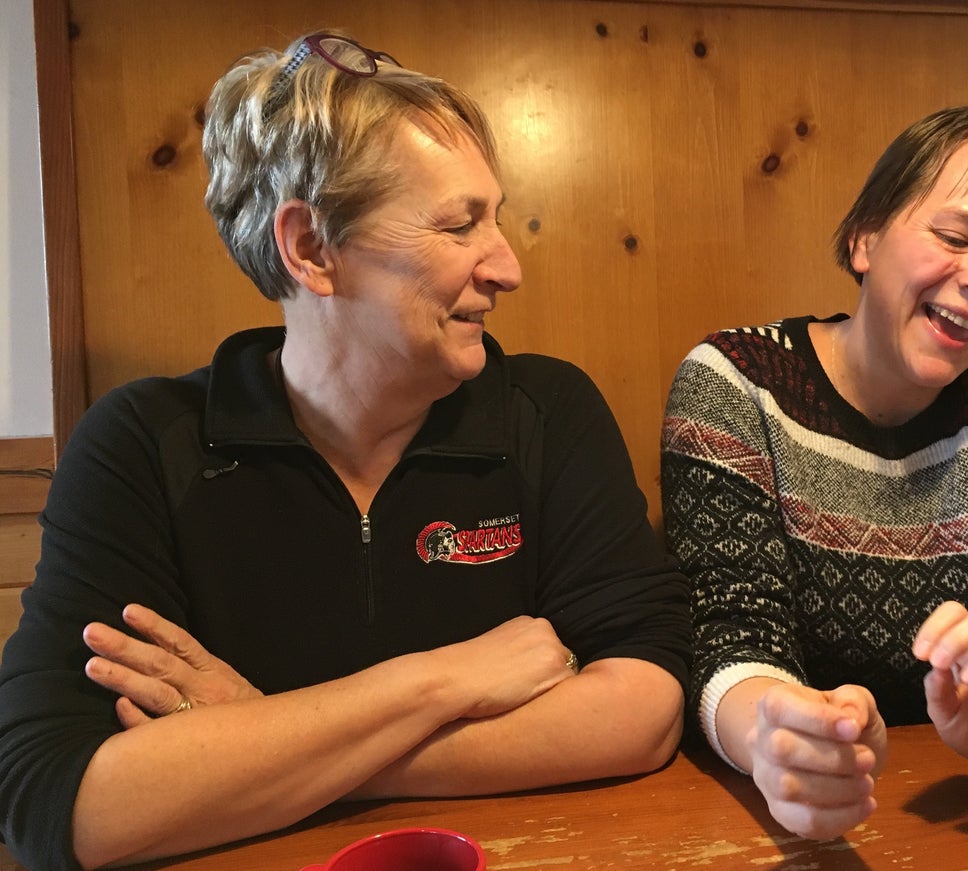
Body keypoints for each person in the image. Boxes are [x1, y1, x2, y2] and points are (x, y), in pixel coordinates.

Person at [0, 31, 690, 871]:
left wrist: (258, 734)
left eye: (496, 218)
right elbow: (50, 802)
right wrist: (443, 681)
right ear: (311, 249)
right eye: (459, 224)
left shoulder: (545, 410)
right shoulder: (143, 445)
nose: (507, 266)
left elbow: (646, 706)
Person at [660, 104, 968, 841]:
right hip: (801, 820)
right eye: (956, 237)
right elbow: (728, 632)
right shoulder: (736, 385)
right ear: (865, 235)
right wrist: (777, 741)